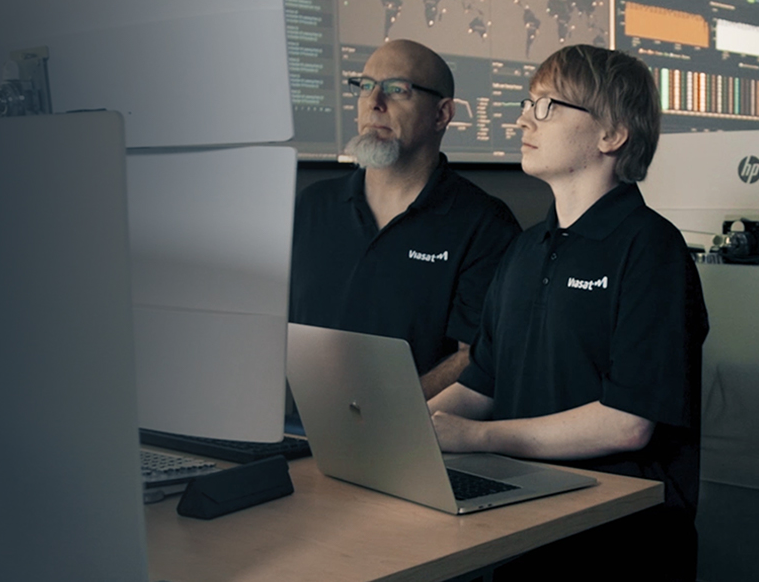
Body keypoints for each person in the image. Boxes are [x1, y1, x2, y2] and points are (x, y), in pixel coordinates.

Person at [428, 44, 709, 581]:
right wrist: (408, 427)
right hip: (525, 528)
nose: (523, 120)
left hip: (620, 544)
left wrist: (478, 438)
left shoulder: (651, 250)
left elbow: (626, 423)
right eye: (528, 103)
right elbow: (482, 384)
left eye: (548, 106)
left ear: (612, 134)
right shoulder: (525, 248)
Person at [289, 39, 520, 400]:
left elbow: (477, 357)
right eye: (365, 87)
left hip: (413, 441)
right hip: (295, 435)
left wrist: (379, 413)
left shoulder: (484, 225)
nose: (374, 103)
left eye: (397, 90)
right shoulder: (312, 206)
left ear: (442, 114)